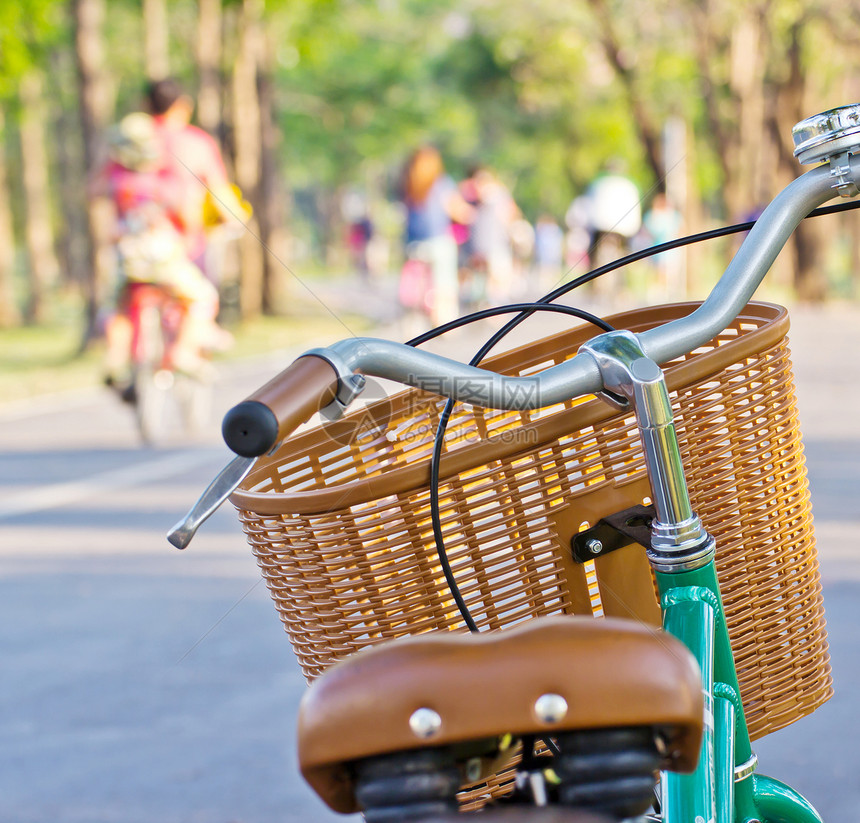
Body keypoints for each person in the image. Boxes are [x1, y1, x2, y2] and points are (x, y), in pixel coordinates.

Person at [93, 111, 227, 388]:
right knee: (202, 297)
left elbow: (91, 193)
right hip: (164, 261)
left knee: (117, 308)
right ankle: (182, 353)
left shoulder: (116, 179)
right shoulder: (166, 179)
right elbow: (186, 216)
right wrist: (189, 239)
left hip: (126, 262)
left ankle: (115, 359)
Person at [145, 77, 246, 279]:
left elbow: (95, 188)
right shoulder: (197, 142)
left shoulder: (129, 142)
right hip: (184, 246)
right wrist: (236, 219)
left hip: (136, 244)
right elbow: (219, 191)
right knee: (201, 302)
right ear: (183, 105)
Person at [402, 146, 474, 325]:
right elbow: (458, 210)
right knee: (445, 282)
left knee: (419, 284)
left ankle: (416, 317)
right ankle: (444, 322)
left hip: (414, 245)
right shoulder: (441, 183)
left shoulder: (410, 185)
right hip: (438, 242)